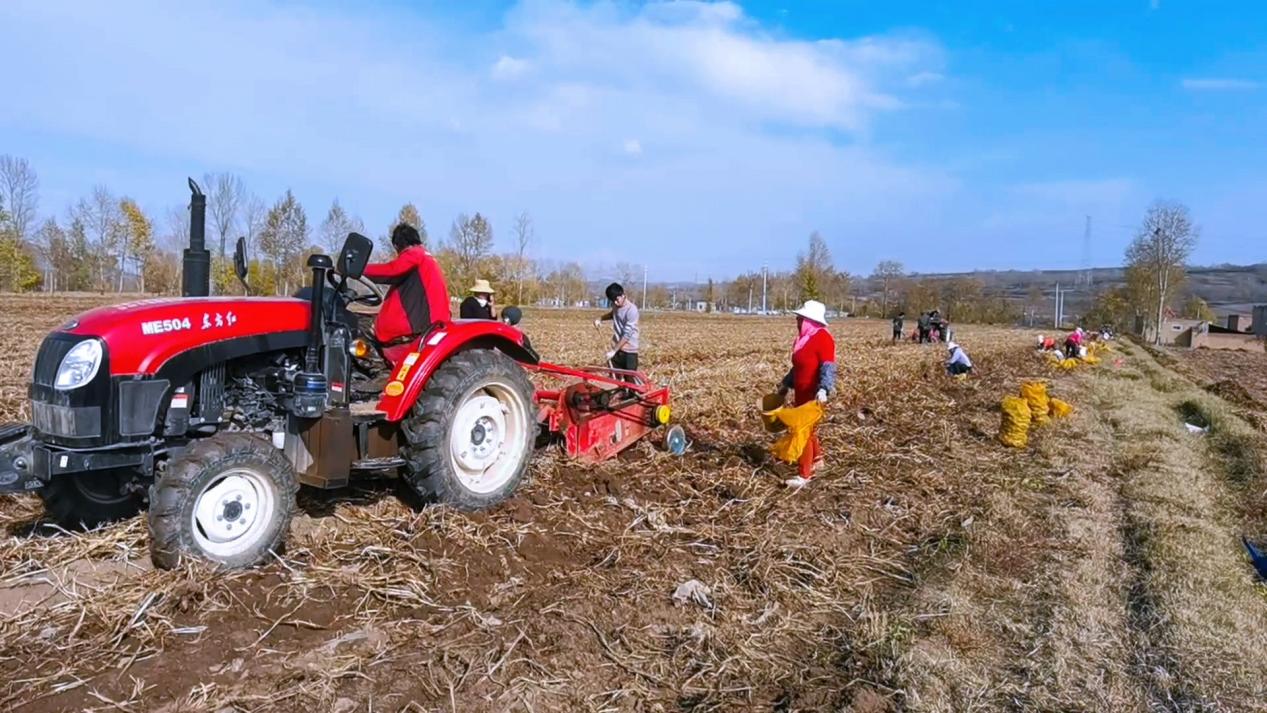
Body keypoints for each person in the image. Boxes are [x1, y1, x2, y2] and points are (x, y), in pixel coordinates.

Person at [361, 224, 451, 366]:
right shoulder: (427, 259)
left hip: (416, 327)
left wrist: (360, 269)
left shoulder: (414, 254)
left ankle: (376, 370)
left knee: (359, 327)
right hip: (431, 324)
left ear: (397, 245)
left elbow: (391, 270)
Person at [776, 300, 836, 489]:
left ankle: (805, 474)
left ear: (811, 321)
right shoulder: (803, 340)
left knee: (803, 432)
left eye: (801, 318)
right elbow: (798, 368)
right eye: (798, 318)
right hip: (801, 394)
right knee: (809, 430)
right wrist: (786, 384)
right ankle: (817, 460)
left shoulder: (823, 338)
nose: (797, 321)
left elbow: (828, 366)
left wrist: (824, 389)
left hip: (813, 395)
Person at [594, 283, 640, 373]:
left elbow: (627, 335)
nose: (615, 303)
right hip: (618, 349)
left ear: (623, 295)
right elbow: (613, 314)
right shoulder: (616, 306)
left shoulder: (631, 310)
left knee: (630, 378)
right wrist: (600, 319)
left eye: (617, 299)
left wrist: (614, 351)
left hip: (629, 351)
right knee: (614, 376)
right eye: (613, 301)